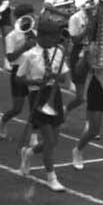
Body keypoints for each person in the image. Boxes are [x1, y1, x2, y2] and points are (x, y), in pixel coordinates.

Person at [16, 23, 72, 191]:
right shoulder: (30, 55)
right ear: (42, 37)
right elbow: (19, 79)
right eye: (52, 37)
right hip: (38, 96)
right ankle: (51, 177)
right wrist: (36, 81)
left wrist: (56, 76)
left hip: (54, 95)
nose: (55, 40)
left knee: (53, 141)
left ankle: (29, 152)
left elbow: (64, 78)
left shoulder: (58, 52)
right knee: (49, 140)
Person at [0, 2, 38, 140]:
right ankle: (2, 120)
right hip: (19, 71)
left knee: (34, 105)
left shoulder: (35, 33)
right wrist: (24, 47)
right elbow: (10, 56)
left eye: (32, 16)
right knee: (17, 108)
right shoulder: (11, 36)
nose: (31, 19)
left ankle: (34, 136)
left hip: (33, 70)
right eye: (27, 16)